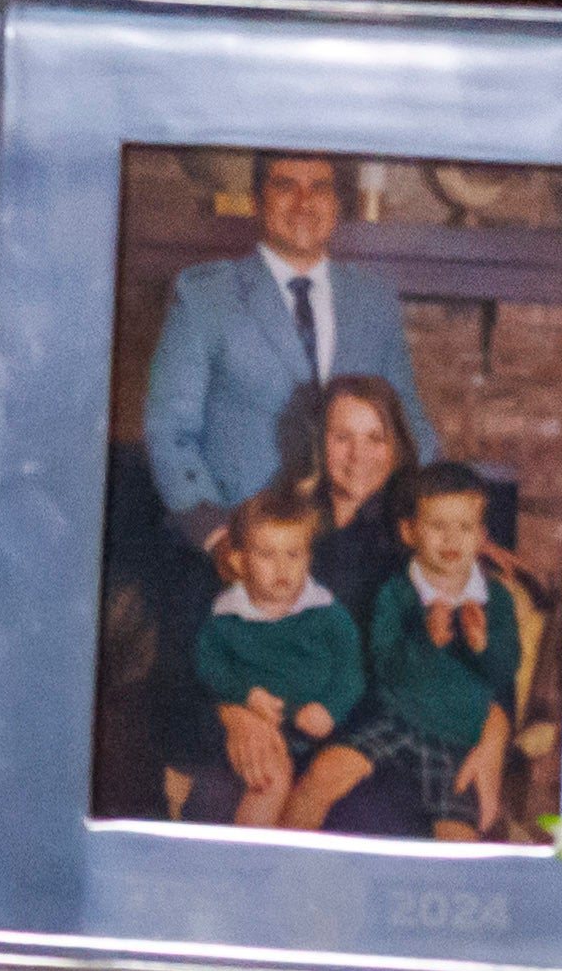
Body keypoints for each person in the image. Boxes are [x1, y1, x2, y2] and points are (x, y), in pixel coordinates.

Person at [145, 152, 420, 556]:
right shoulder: (205, 295)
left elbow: (409, 421)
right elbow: (169, 430)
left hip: (355, 545)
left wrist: (447, 516)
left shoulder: (373, 299)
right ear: (257, 200)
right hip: (244, 543)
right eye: (285, 185)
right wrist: (216, 535)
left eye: (320, 188)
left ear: (338, 205)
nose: (304, 202)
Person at [370, 458, 553, 841]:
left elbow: (504, 670)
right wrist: (426, 641)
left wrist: (480, 645)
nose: (452, 540)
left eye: (465, 528)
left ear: (481, 535)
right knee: (326, 778)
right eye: (438, 527)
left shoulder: (495, 598)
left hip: (457, 737)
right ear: (410, 531)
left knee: (458, 833)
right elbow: (383, 665)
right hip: (393, 723)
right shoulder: (397, 592)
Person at [189, 480, 381, 830]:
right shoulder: (226, 616)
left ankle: (289, 863)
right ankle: (254, 863)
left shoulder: (326, 611)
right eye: (266, 555)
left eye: (294, 554)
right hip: (265, 731)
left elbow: (351, 670)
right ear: (239, 560)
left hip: (322, 731)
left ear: (308, 557)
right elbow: (209, 668)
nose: (282, 568)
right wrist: (244, 696)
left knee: (319, 792)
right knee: (268, 781)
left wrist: (330, 708)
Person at [301, 364, 428, 625]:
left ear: (396, 446)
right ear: (320, 442)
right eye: (342, 437)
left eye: (375, 438)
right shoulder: (291, 518)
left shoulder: (413, 534)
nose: (358, 455)